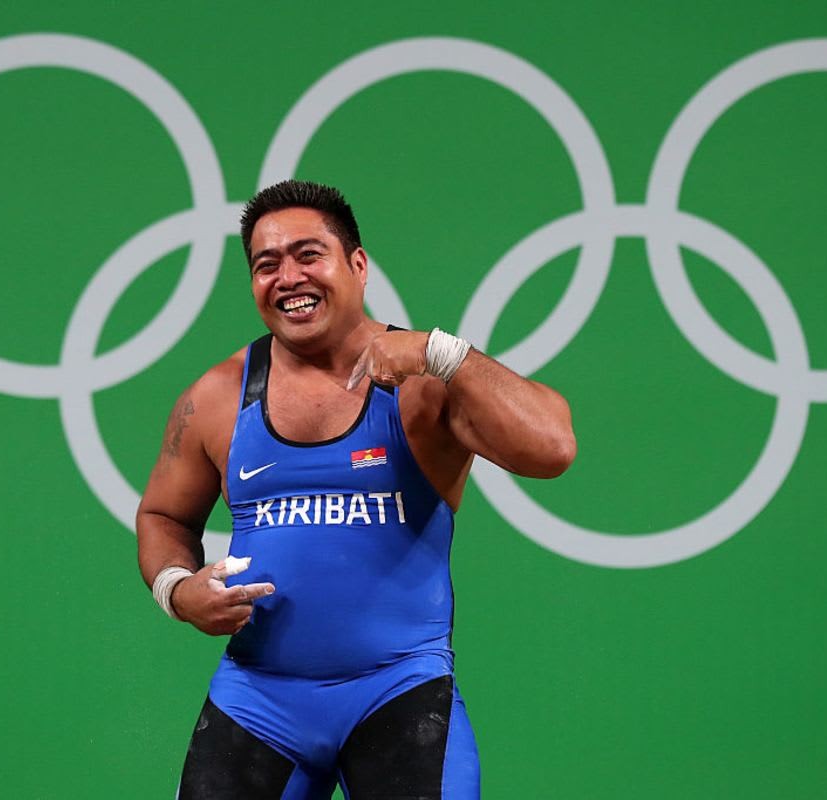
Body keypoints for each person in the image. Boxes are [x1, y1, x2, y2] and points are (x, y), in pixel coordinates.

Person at [137, 180, 576, 799]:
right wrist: (177, 592)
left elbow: (553, 448)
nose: (287, 277)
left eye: (309, 255)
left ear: (358, 265)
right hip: (256, 701)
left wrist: (441, 352)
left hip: (397, 692)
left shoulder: (423, 382)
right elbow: (162, 516)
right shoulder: (217, 396)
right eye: (267, 265)